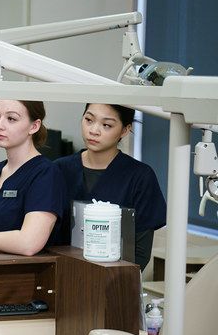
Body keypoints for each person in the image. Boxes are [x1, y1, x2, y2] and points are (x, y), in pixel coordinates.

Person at [55, 103, 166, 270]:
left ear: (124, 130)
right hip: (61, 275)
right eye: (89, 120)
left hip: (115, 282)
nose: (94, 130)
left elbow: (140, 254)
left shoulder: (140, 177)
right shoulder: (58, 170)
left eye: (106, 125)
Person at [0, 99, 67, 256]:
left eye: (11, 119)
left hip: (24, 274)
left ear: (34, 126)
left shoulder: (45, 175)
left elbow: (29, 243)